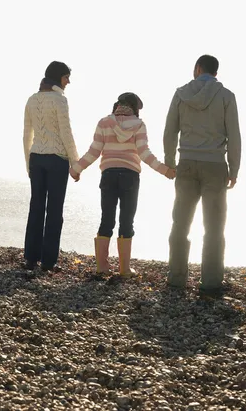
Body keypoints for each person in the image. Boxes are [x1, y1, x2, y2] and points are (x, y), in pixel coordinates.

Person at [70, 93, 175, 278]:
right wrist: (165, 170)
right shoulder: (139, 125)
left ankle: (102, 267)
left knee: (107, 219)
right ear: (135, 108)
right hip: (130, 176)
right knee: (127, 221)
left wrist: (77, 168)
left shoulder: (104, 122)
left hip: (108, 174)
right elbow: (144, 154)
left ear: (117, 104)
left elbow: (94, 151)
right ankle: (124, 269)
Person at [163, 54, 241, 297]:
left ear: (198, 69)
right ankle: (210, 282)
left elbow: (169, 131)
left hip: (186, 163)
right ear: (215, 72)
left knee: (180, 223)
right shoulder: (227, 96)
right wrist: (234, 169)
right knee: (214, 227)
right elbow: (235, 136)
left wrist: (170, 162)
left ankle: (176, 279)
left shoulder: (180, 94)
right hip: (215, 165)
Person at [23, 61, 79, 272]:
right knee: (54, 210)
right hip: (57, 159)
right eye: (66, 77)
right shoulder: (60, 100)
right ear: (58, 78)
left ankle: (30, 258)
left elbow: (26, 134)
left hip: (36, 158)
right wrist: (75, 162)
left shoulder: (32, 99)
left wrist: (28, 163)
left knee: (36, 207)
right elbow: (66, 133)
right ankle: (48, 262)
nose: (68, 81)